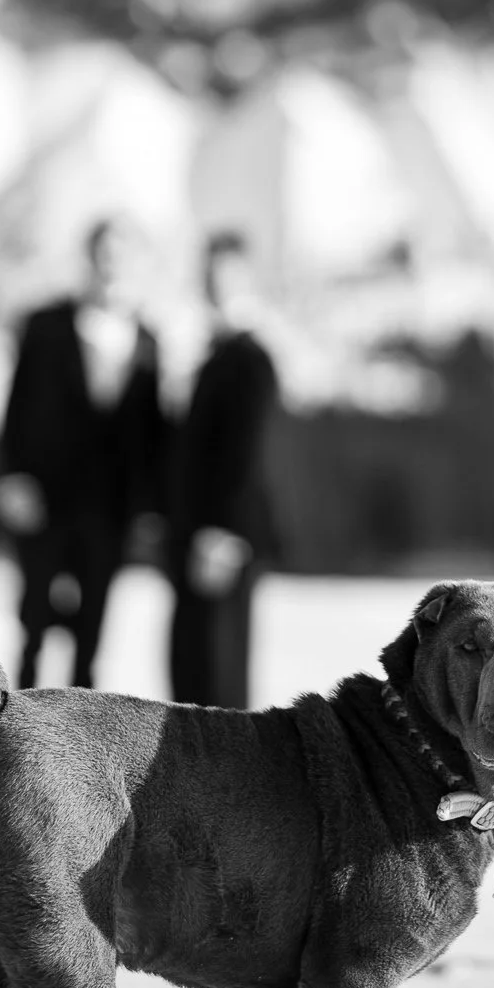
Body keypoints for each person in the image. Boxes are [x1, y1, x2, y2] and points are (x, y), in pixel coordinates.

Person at [0, 216, 163, 690]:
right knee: (33, 630)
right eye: (103, 252)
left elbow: (150, 435)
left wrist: (147, 507)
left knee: (91, 639)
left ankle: (78, 746)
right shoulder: (44, 326)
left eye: (120, 254)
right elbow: (16, 407)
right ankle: (15, 734)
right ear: (88, 258)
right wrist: (12, 478)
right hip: (45, 502)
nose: (110, 263)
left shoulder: (148, 339)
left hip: (108, 512)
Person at [168, 231, 279, 709]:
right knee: (191, 675)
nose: (216, 284)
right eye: (210, 274)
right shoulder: (211, 354)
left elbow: (250, 454)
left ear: (249, 279)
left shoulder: (250, 360)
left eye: (227, 274)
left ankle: (228, 785)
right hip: (195, 537)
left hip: (224, 543)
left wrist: (224, 534)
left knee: (220, 683)